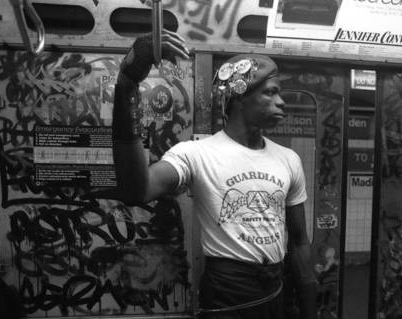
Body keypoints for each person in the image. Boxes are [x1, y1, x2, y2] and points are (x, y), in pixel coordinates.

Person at [111, 31, 317, 319]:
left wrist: (310, 309)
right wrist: (127, 85)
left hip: (275, 290)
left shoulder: (288, 159)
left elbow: (298, 242)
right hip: (227, 292)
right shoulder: (197, 154)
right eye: (270, 92)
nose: (281, 101)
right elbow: (137, 190)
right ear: (240, 98)